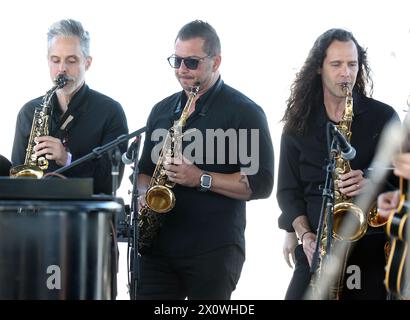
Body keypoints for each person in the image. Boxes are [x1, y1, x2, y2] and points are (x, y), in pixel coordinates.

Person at [135, 20, 274, 300]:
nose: (182, 69)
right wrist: (143, 194)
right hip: (157, 250)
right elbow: (143, 172)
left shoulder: (244, 112)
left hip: (214, 250)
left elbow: (261, 184)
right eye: (177, 61)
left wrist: (199, 177)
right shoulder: (161, 111)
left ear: (216, 61)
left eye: (192, 62)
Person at [277, 28, 399, 300]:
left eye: (352, 64)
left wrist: (369, 180)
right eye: (337, 64)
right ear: (319, 68)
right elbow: (287, 191)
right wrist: (304, 235)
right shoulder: (298, 125)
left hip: (369, 252)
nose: (346, 72)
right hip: (316, 251)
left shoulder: (383, 117)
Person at [11, 19, 128, 194]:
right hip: (34, 217)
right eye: (55, 60)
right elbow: (16, 178)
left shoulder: (110, 112)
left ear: (87, 63)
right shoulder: (29, 112)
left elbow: (111, 181)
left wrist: (67, 159)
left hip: (85, 219)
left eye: (71, 61)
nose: (62, 69)